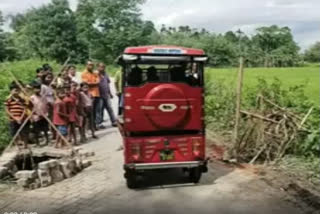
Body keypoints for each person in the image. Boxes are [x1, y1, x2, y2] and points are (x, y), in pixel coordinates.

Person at [5, 81, 29, 149]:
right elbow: (7, 110)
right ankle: (17, 146)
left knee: (24, 132)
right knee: (14, 133)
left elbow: (25, 108)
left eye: (18, 90)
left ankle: (25, 145)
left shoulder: (21, 99)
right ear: (11, 91)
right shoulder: (9, 99)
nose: (17, 92)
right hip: (13, 119)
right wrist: (15, 118)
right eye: (15, 90)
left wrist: (21, 117)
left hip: (22, 118)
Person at [81, 60, 100, 130]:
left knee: (95, 111)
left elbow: (98, 82)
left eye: (92, 65)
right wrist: (94, 83)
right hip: (89, 95)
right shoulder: (84, 73)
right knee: (88, 111)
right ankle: (88, 126)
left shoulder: (95, 73)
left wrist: (92, 83)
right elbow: (87, 84)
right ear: (86, 65)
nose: (91, 66)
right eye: (89, 65)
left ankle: (93, 125)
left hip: (96, 94)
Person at [97, 63, 117, 127]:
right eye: (101, 67)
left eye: (103, 67)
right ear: (98, 67)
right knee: (100, 109)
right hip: (99, 95)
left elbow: (107, 84)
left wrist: (110, 93)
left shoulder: (106, 74)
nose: (102, 68)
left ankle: (113, 121)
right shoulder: (96, 74)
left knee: (110, 108)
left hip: (106, 94)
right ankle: (99, 123)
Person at [30, 81, 49, 146]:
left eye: (39, 88)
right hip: (36, 116)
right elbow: (30, 107)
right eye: (36, 88)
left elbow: (45, 105)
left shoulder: (43, 97)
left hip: (44, 115)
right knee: (36, 130)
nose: (37, 90)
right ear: (33, 89)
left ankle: (47, 141)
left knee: (45, 129)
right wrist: (36, 114)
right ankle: (37, 143)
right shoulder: (32, 98)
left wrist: (45, 113)